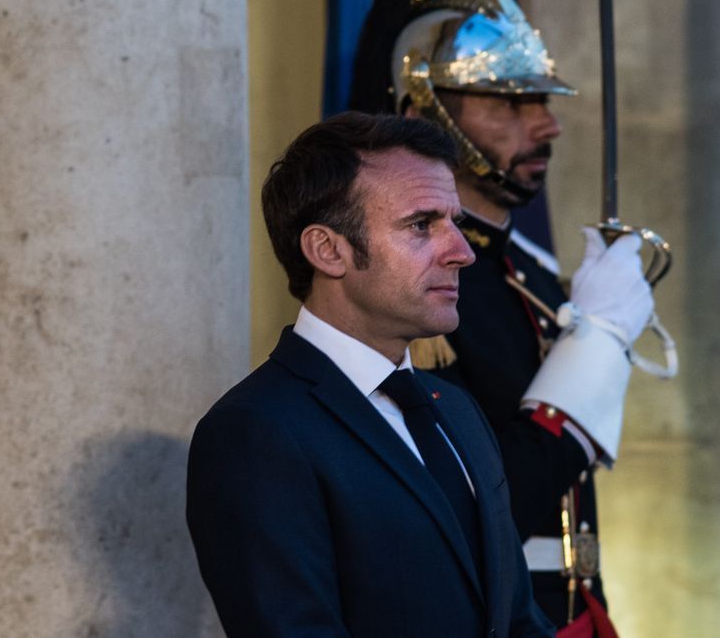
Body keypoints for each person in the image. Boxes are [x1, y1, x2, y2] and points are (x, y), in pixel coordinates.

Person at [350, 0, 656, 635]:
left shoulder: (532, 275)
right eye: (510, 103)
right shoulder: (414, 287)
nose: (546, 126)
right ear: (422, 112)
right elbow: (473, 503)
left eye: (543, 101)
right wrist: (595, 347)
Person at [186, 111, 554, 638]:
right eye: (422, 225)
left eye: (457, 224)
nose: (463, 252)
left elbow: (517, 622)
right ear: (328, 250)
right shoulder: (256, 432)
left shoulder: (456, 410)